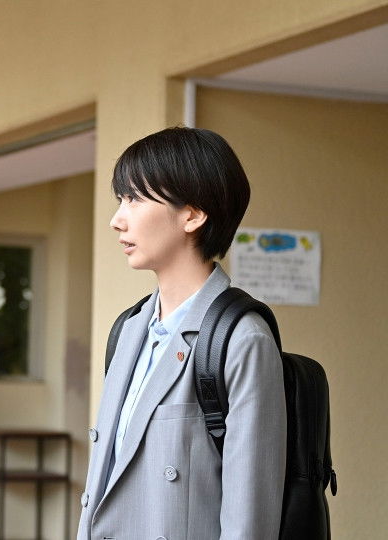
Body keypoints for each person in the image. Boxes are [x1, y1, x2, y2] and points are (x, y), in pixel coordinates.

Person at [76, 127, 286, 539]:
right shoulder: (129, 329)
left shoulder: (241, 339)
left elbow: (249, 523)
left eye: (135, 198)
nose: (117, 220)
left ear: (192, 214)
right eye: (120, 199)